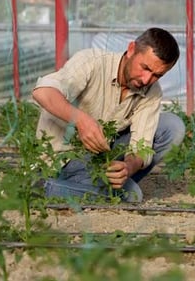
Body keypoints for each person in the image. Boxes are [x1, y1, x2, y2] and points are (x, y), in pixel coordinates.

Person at [32, 27, 185, 203]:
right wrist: (81, 120)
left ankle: (94, 186)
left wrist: (128, 167)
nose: (146, 79)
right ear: (131, 49)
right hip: (62, 159)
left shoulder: (151, 92)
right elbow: (43, 92)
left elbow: (141, 147)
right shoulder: (92, 62)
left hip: (99, 160)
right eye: (144, 67)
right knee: (132, 195)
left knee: (172, 126)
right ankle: (43, 187)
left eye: (157, 75)